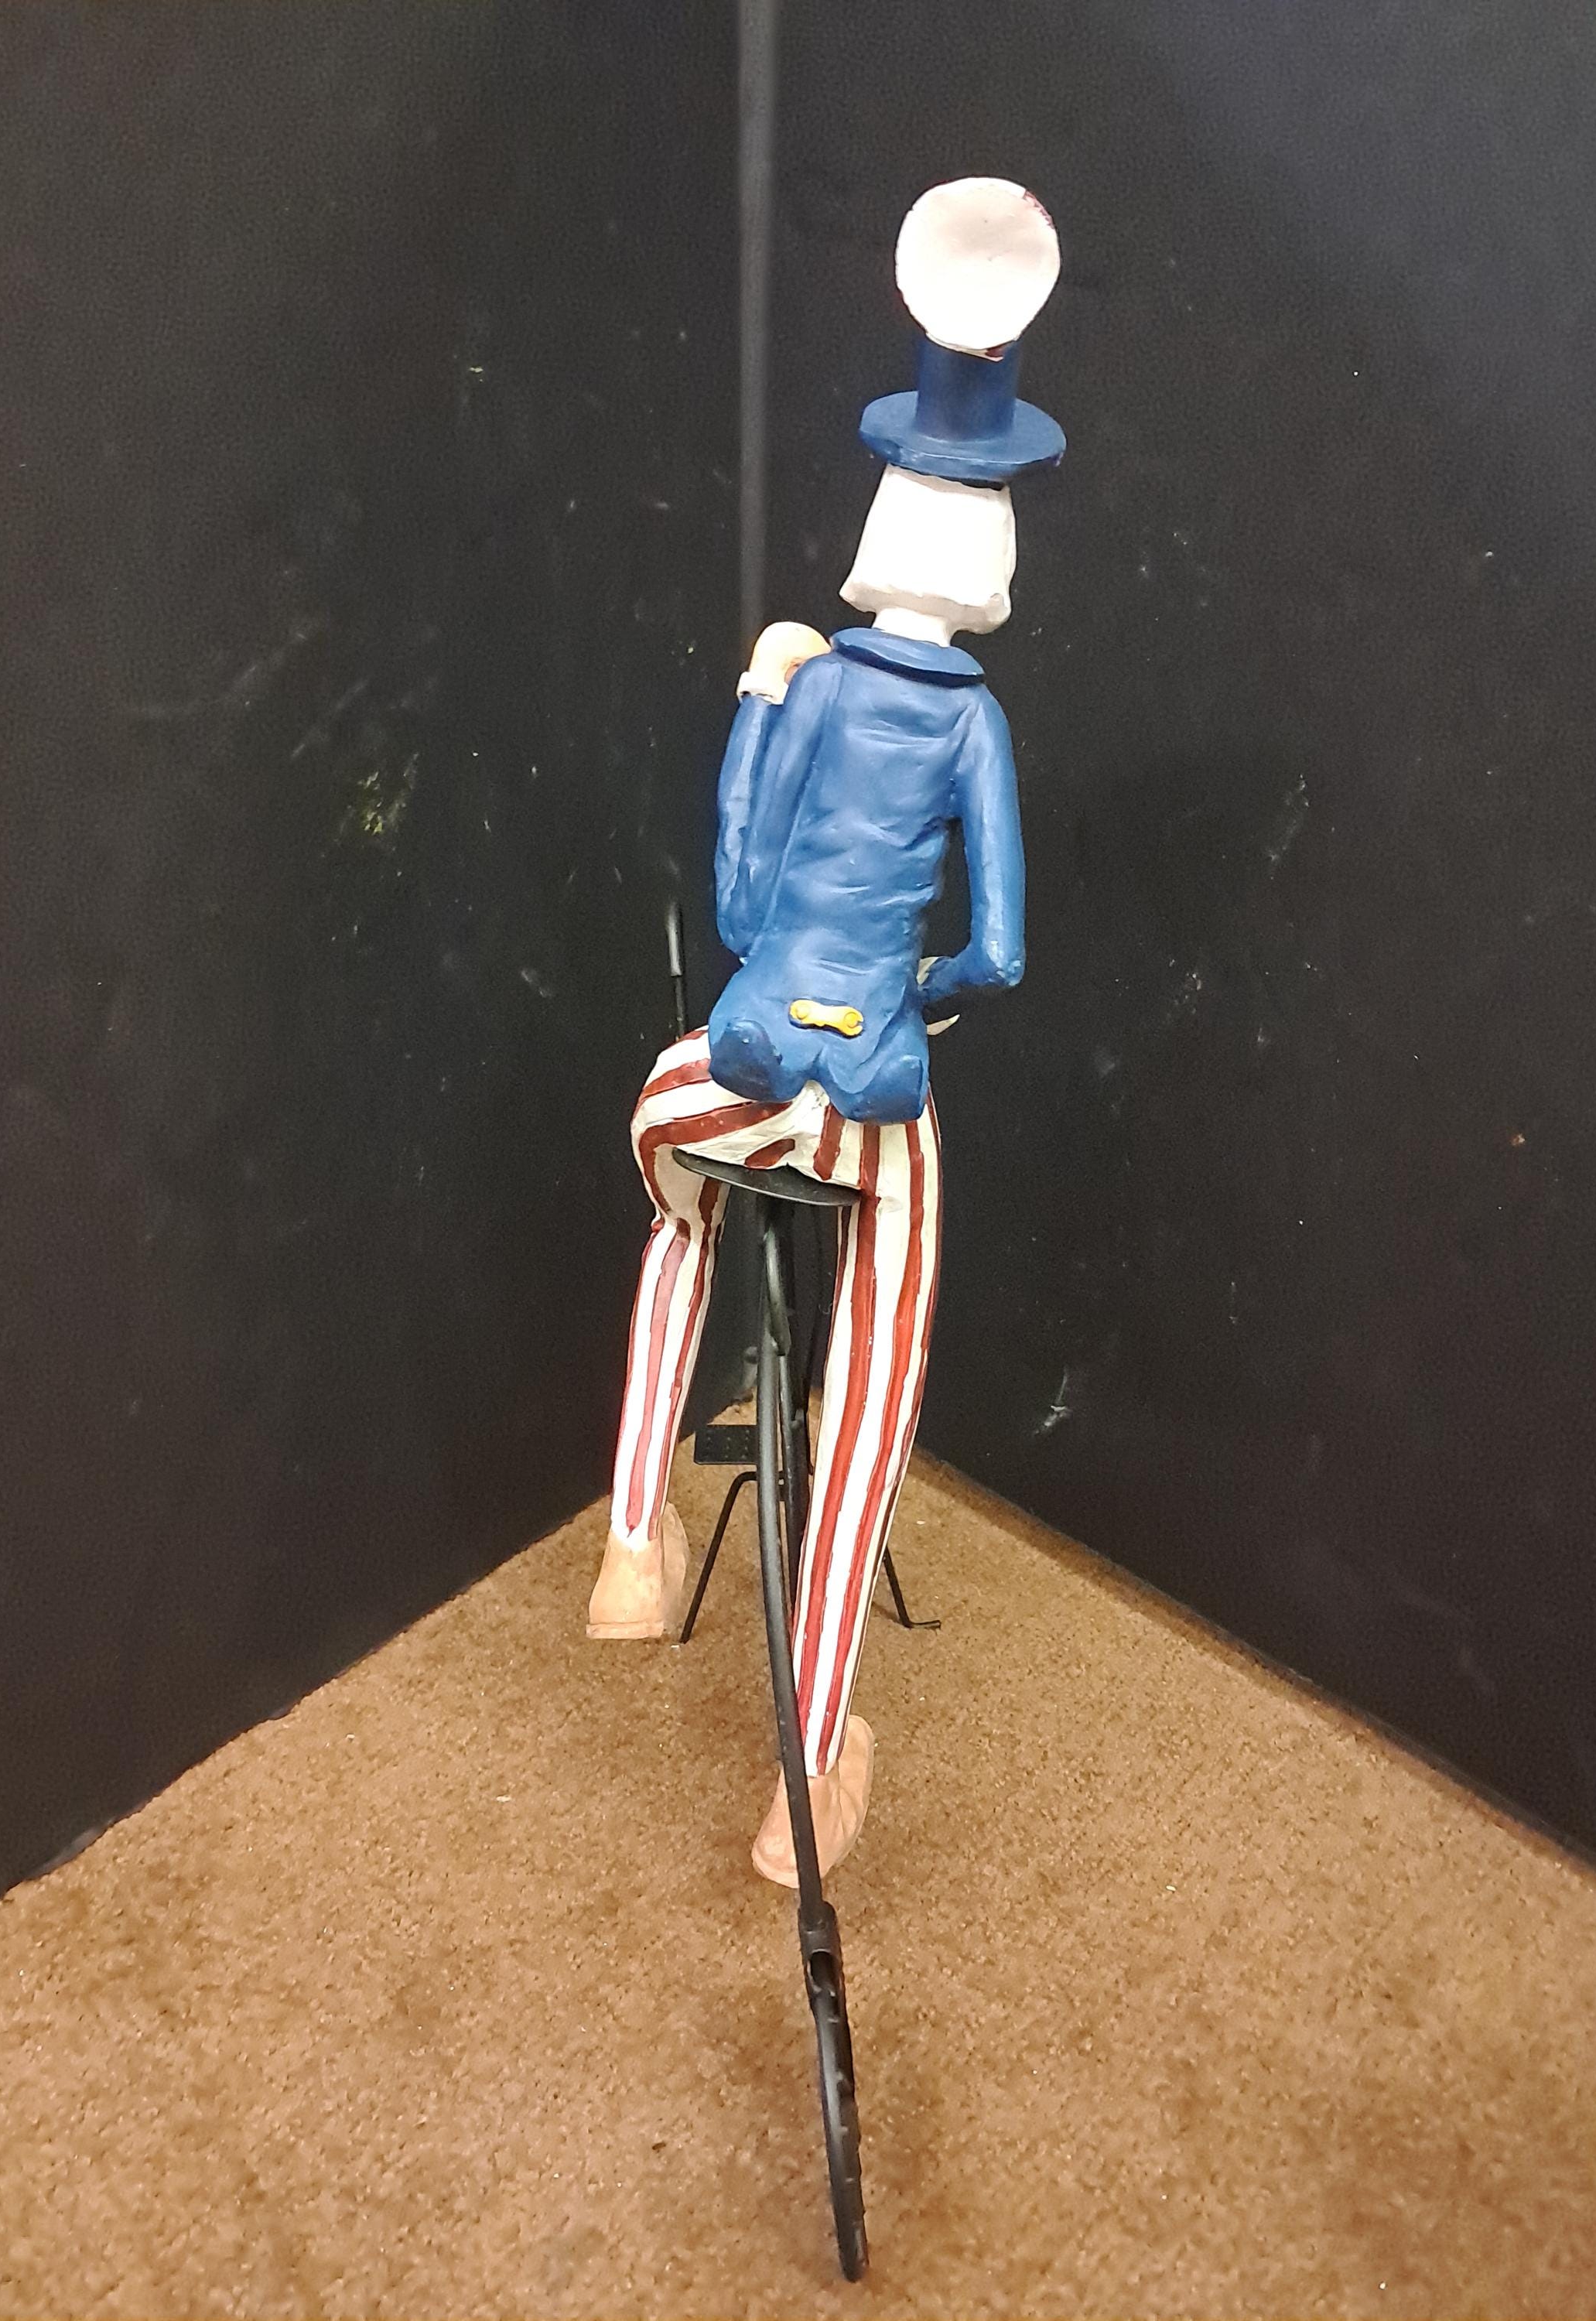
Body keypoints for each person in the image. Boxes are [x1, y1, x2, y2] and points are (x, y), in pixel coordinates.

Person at [588, 178, 1064, 1886]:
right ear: (993, 558)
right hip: (873, 1091)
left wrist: (757, 694)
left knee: (675, 1198)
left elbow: (735, 902)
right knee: (876, 1376)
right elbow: (998, 952)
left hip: (739, 1068)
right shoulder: (977, 729)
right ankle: (811, 1749)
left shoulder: (812, 682)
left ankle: (632, 1537)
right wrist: (901, 995)